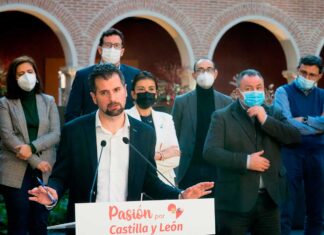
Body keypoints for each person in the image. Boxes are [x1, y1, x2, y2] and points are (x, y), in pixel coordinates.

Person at [28, 63, 214, 226]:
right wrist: (51, 194)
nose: (112, 98)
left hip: (126, 225)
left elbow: (149, 181)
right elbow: (61, 177)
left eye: (116, 90)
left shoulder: (144, 134)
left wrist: (180, 195)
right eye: (104, 92)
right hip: (87, 225)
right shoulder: (75, 131)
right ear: (94, 97)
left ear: (125, 90)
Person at [203, 69, 301, 235]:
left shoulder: (273, 113)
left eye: (258, 87)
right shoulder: (222, 117)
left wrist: (266, 120)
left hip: (269, 200)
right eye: (248, 88)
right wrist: (246, 161)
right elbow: (210, 152)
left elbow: (294, 137)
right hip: (235, 201)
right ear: (239, 92)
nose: (254, 92)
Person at [0, 56, 60, 235]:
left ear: (36, 74)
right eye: (21, 73)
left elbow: (55, 133)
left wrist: (32, 148)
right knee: (18, 223)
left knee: (39, 222)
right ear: (14, 78)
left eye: (29, 72)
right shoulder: (5, 103)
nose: (26, 76)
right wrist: (35, 161)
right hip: (15, 170)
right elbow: (7, 137)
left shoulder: (48, 101)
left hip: (44, 168)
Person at [274, 55, 324, 235]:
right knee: (285, 205)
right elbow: (285, 123)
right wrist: (316, 125)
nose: (307, 78)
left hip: (318, 153)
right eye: (304, 72)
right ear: (297, 70)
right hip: (290, 151)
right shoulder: (283, 92)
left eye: (312, 75)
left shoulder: (322, 95)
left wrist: (303, 119)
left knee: (317, 205)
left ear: (319, 77)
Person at [172, 58, 232, 193]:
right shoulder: (181, 102)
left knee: (216, 211)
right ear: (194, 75)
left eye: (209, 69)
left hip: (218, 169)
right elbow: (174, 133)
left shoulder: (227, 102)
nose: (205, 73)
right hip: (189, 167)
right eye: (200, 70)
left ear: (216, 73)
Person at [64, 28, 140, 123]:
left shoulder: (134, 75)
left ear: (122, 51)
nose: (112, 49)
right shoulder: (83, 76)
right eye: (108, 45)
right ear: (100, 50)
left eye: (116, 46)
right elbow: (72, 113)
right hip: (92, 133)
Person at [126, 71, 180, 185]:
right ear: (133, 93)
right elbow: (125, 159)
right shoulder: (123, 118)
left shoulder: (166, 119)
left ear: (156, 94)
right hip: (132, 183)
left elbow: (175, 158)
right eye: (141, 89)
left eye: (151, 89)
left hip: (164, 182)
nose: (146, 93)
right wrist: (162, 155)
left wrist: (143, 163)